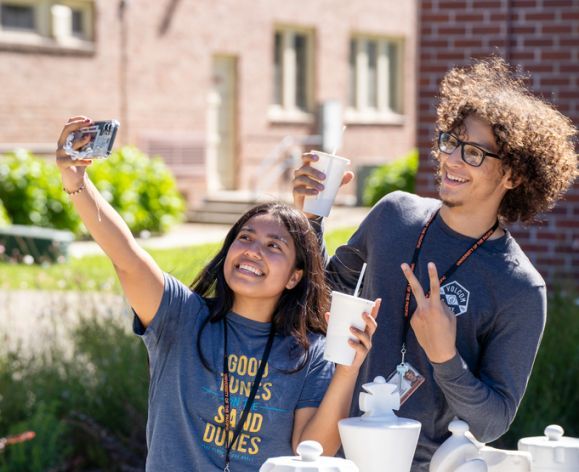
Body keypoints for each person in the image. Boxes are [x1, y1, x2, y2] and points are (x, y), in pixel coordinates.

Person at [292, 57, 577, 470]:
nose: (452, 160)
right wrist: (310, 220)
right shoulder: (393, 215)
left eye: (474, 152)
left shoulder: (520, 287)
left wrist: (445, 356)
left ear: (513, 174)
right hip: (338, 457)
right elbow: (319, 298)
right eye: (450, 141)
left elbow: (493, 421)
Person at [56, 116, 380, 472]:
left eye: (274, 246)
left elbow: (311, 449)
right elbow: (127, 257)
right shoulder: (181, 316)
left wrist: (346, 372)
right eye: (245, 238)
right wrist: (76, 182)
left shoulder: (309, 352)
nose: (253, 250)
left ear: (294, 277)